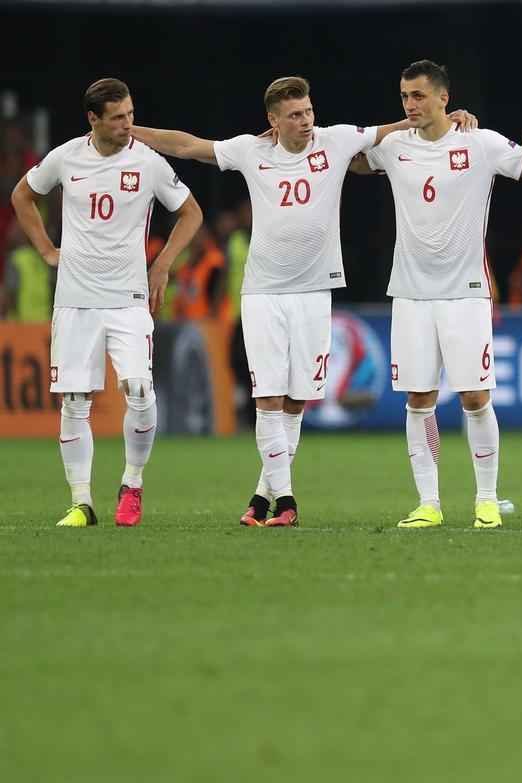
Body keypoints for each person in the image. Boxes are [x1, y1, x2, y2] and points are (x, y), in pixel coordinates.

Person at [131, 75, 426, 527]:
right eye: (294, 115)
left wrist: (447, 117)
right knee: (267, 398)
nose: (306, 121)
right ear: (273, 120)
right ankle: (286, 500)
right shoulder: (253, 150)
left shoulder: (336, 140)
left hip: (314, 291)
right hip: (264, 292)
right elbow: (190, 146)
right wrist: (132, 131)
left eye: (308, 111)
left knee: (295, 402)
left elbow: (394, 129)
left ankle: (261, 497)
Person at [9, 78, 202, 527]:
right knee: (74, 400)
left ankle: (132, 484)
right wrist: (45, 251)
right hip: (76, 301)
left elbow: (191, 212)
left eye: (131, 114)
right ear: (93, 119)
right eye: (118, 117)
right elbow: (23, 195)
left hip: (128, 299)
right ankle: (81, 502)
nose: (127, 124)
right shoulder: (65, 157)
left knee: (139, 388)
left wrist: (163, 264)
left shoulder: (148, 162)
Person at [355, 59, 522, 529]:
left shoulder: (480, 143)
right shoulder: (394, 147)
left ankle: (487, 499)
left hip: (466, 292)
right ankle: (429, 503)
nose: (409, 104)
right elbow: (348, 160)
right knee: (419, 399)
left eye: (418, 95)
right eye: (403, 96)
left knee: (475, 396)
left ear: (444, 98)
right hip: (412, 294)